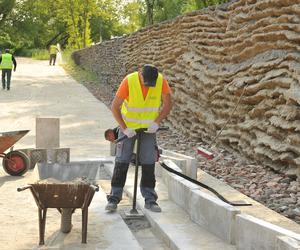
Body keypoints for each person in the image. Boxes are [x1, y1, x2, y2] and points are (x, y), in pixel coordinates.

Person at [105, 64, 172, 213]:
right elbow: (115, 107)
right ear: (140, 75)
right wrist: (124, 128)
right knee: (121, 161)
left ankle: (150, 199)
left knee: (148, 162)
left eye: (151, 84)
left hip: (148, 129)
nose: (148, 87)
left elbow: (168, 104)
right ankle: (114, 198)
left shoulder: (161, 81)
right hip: (128, 127)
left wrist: (157, 122)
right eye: (145, 83)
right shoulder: (129, 81)